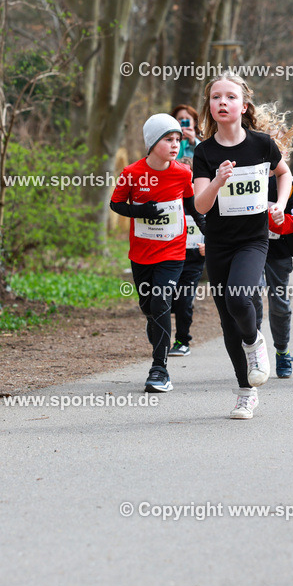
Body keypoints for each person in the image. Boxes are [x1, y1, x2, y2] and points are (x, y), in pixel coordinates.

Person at [192, 72, 293, 419]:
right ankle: (245, 393)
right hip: (218, 243)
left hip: (253, 240)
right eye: (215, 97)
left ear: (244, 105)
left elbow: (284, 173)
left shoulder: (262, 144)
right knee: (227, 322)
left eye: (230, 97)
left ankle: (255, 341)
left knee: (239, 298)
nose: (222, 102)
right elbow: (200, 204)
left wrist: (280, 204)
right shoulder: (204, 152)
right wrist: (218, 180)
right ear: (209, 106)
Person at [110, 114, 201, 392]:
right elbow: (116, 204)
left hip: (173, 251)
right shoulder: (132, 173)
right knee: (149, 308)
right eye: (168, 139)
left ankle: (159, 369)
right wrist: (139, 211)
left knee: (161, 302)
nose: (175, 145)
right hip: (141, 253)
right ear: (151, 143)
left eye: (177, 140)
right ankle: (155, 331)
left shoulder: (183, 173)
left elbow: (192, 207)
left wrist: (210, 233)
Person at [252, 103, 293, 379]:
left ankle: (282, 351)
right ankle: (254, 352)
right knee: (251, 297)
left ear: (285, 152)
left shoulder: (289, 183)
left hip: (279, 249)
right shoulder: (248, 177)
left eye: (278, 147)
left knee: (279, 303)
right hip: (250, 247)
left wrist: (277, 218)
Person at [169, 145, 207, 358]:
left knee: (184, 301)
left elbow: (213, 226)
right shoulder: (168, 199)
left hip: (193, 260)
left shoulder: (202, 201)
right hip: (168, 258)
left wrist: (208, 245)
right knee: (162, 300)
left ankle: (182, 341)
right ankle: (157, 330)